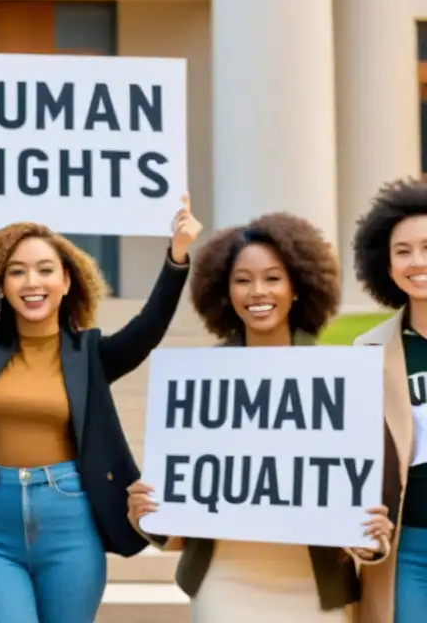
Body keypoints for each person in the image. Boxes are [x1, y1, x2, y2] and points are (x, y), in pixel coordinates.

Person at [0, 183, 201, 623]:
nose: (32, 282)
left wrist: (177, 256)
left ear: (67, 281)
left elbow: (147, 328)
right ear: (1, 285)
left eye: (45, 270)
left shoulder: (89, 355)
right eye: (17, 272)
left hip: (71, 527)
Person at [127, 212, 396, 623]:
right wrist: (150, 513)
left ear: (297, 287)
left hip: (313, 584)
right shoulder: (199, 380)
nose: (257, 291)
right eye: (242, 280)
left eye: (273, 278)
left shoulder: (342, 376)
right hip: (223, 580)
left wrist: (370, 536)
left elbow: (369, 484)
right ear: (224, 290)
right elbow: (181, 498)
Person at [351, 177, 427, 623]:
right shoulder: (368, 352)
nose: (416, 261)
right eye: (403, 251)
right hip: (408, 551)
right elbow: (352, 463)